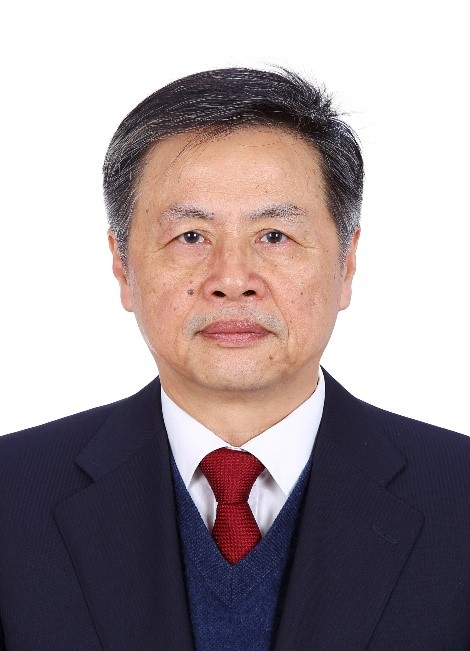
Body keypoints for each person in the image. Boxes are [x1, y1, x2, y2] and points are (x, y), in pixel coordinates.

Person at [0, 67, 469, 651]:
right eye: (190, 236)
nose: (232, 279)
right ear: (123, 266)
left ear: (346, 263)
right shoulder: (11, 493)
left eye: (273, 235)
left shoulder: (459, 494)